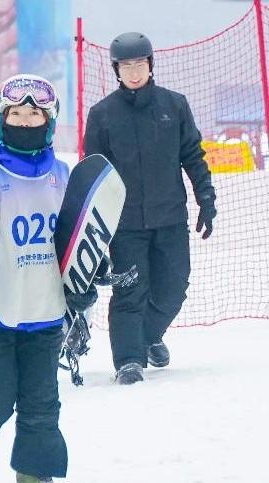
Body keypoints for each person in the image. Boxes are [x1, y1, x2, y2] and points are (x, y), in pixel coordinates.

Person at [0, 74, 96, 483]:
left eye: (35, 114)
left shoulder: (63, 175)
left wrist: (83, 282)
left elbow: (74, 238)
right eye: (17, 113)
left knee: (41, 401)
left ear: (48, 121)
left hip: (45, 308)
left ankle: (34, 477)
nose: (26, 121)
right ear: (1, 118)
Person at [83, 32, 216, 385]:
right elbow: (92, 175)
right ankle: (128, 359)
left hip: (170, 217)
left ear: (151, 65)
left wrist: (206, 198)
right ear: (116, 70)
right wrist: (91, 231)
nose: (134, 72)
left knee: (174, 287)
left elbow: (193, 156)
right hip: (125, 224)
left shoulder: (174, 106)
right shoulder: (102, 115)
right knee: (130, 291)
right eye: (126, 66)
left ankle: (148, 335)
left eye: (139, 64)